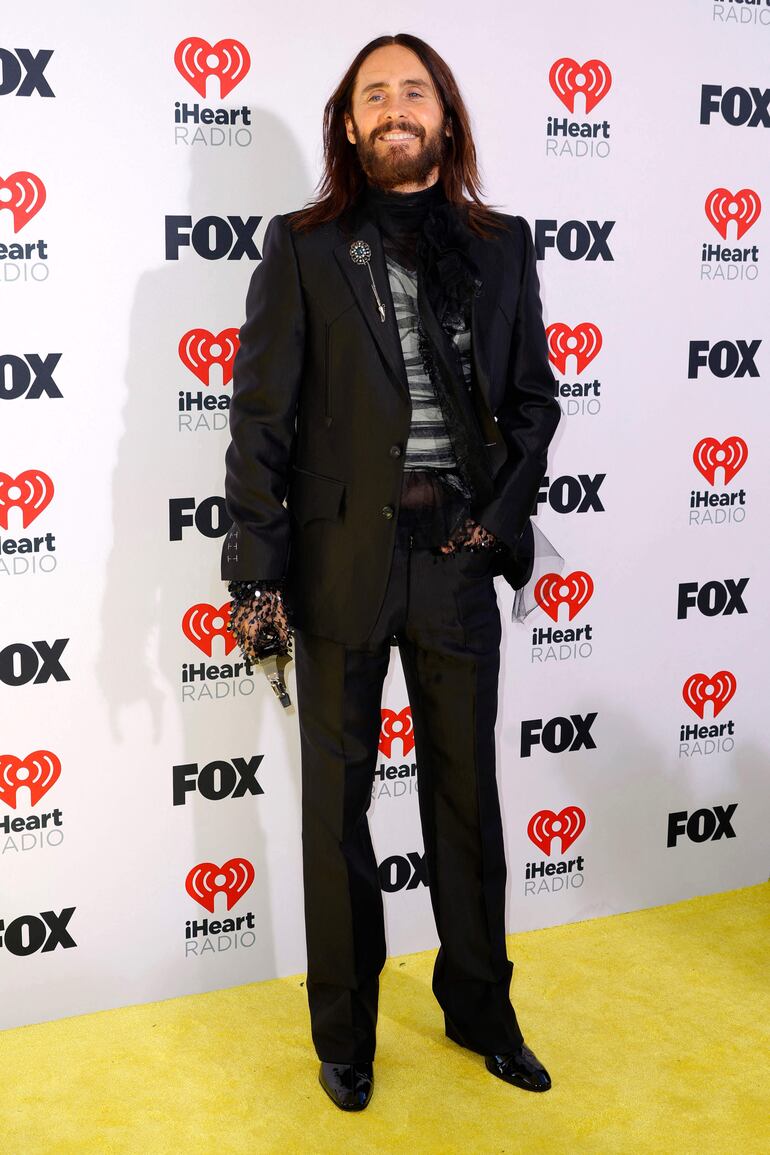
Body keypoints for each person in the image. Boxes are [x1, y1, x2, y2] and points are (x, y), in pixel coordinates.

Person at [221, 33, 561, 1112]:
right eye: (374, 94)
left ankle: (478, 1009)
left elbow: (533, 403)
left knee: (468, 802)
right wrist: (255, 577)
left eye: (412, 90)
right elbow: (259, 422)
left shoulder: (501, 246)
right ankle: (345, 1032)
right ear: (350, 124)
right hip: (335, 568)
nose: (394, 108)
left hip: (456, 565)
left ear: (445, 118)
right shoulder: (305, 247)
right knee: (336, 811)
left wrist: (494, 525)